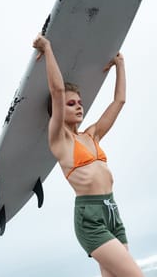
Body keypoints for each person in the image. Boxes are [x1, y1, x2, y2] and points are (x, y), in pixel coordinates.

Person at [33, 34, 143, 277]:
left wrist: (120, 65)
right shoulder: (59, 140)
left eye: (80, 102)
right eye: (71, 104)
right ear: (59, 111)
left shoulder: (92, 135)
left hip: (112, 211)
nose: (79, 106)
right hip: (89, 218)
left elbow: (119, 101)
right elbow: (57, 89)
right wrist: (48, 48)